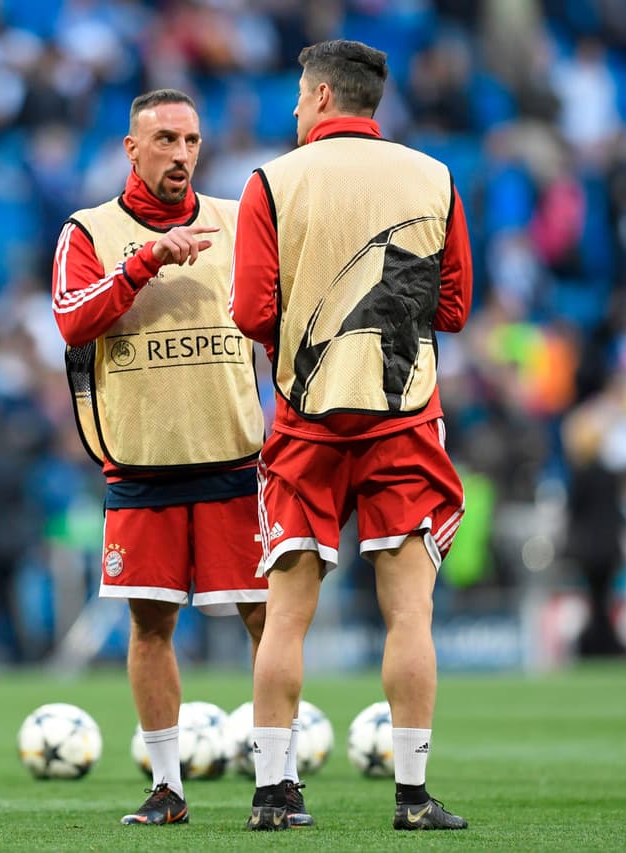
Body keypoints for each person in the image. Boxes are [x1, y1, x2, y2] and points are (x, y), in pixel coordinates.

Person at [230, 40, 472, 831]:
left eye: (301, 98)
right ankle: (411, 796)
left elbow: (251, 313)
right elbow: (456, 307)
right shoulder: (432, 177)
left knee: (287, 611)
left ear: (325, 95)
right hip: (404, 419)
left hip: (307, 420)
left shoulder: (273, 179)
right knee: (410, 614)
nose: (294, 111)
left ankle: (272, 793)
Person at [52, 89, 289, 827]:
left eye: (190, 139)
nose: (181, 154)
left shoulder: (235, 216)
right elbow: (71, 319)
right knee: (151, 626)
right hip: (143, 465)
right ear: (131, 148)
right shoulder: (89, 229)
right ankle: (167, 785)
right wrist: (145, 262)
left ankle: (277, 784)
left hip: (233, 459)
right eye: (164, 140)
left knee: (265, 620)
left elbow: (275, 314)